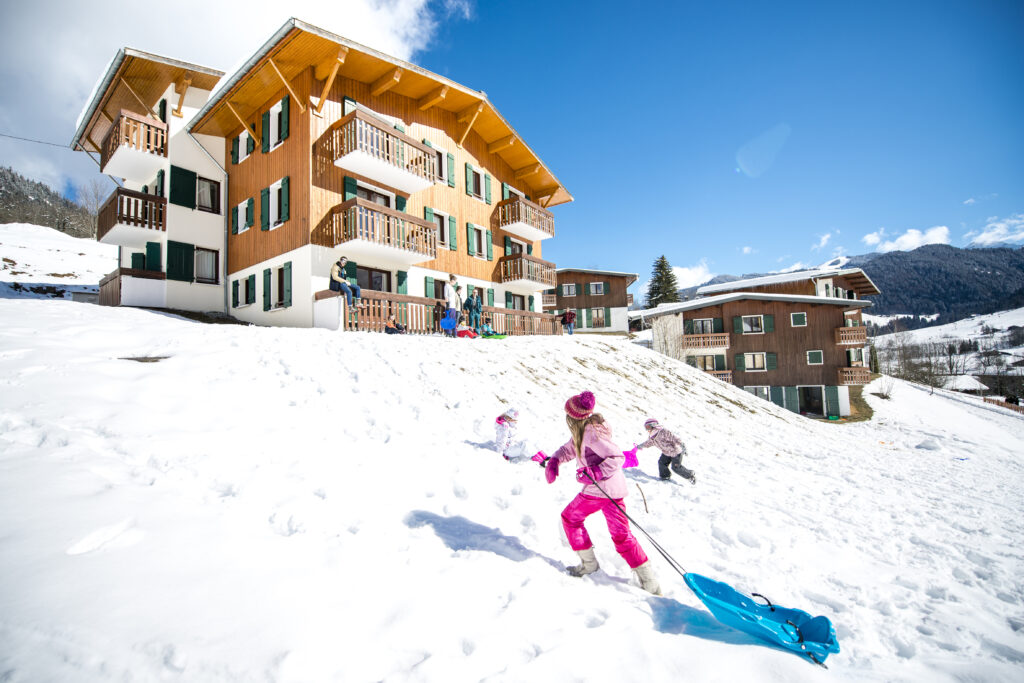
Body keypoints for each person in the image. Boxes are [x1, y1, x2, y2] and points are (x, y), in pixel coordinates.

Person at [543, 391, 661, 595]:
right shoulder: (585, 431)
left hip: (598, 491)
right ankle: (649, 581)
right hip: (613, 491)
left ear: (573, 417)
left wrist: (596, 472)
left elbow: (617, 457)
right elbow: (570, 448)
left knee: (570, 518)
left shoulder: (591, 434)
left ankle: (588, 565)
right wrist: (555, 460)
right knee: (622, 535)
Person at [637, 418, 696, 484]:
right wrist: (641, 446)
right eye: (646, 428)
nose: (647, 429)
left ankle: (690, 475)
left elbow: (674, 438)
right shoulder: (652, 436)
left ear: (653, 425)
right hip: (666, 453)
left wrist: (682, 445)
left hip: (675, 452)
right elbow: (649, 443)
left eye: (648, 427)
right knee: (661, 463)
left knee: (676, 468)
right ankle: (665, 476)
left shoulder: (663, 432)